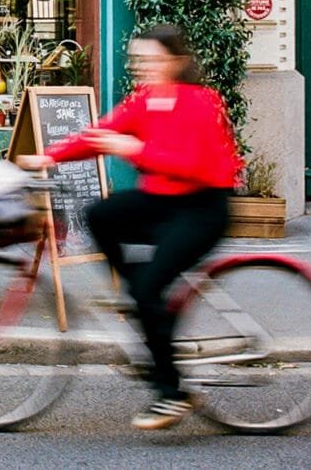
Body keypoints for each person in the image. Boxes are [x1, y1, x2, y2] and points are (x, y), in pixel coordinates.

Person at [16, 24, 242, 431]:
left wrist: (138, 150)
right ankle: (142, 299)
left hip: (202, 208)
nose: (143, 68)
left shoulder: (201, 102)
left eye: (152, 60)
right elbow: (100, 134)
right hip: (160, 201)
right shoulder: (145, 100)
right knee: (101, 214)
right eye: (138, 61)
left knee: (148, 288)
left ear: (175, 62)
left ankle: (172, 394)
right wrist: (49, 156)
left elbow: (196, 165)